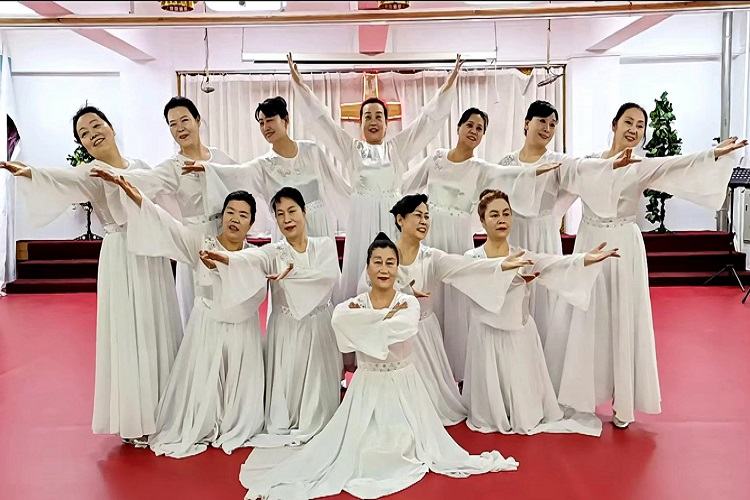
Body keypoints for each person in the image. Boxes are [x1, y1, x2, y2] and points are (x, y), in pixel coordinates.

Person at [238, 232, 519, 500]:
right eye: (378, 262)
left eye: (390, 263)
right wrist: (381, 320)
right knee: (361, 449)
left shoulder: (408, 303)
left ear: (397, 268)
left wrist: (368, 323)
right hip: (366, 388)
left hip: (404, 390)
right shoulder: (352, 305)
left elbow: (402, 328)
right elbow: (341, 325)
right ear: (368, 267)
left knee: (399, 447)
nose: (384, 269)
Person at [544, 102, 747, 428]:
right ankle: (580, 395)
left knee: (623, 318)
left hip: (623, 246)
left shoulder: (642, 165)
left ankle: (623, 401)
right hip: (589, 243)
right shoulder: (588, 163)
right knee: (585, 315)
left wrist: (713, 155)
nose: (633, 130)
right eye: (628, 122)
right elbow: (555, 170)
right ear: (614, 124)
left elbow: (677, 164)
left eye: (640, 125)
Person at [0, 105, 182, 445]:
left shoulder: (140, 168)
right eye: (84, 133)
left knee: (158, 324)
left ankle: (167, 409)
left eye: (96, 125)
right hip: (122, 256)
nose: (93, 133)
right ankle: (137, 416)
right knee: (131, 331)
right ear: (82, 144)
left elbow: (167, 198)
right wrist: (26, 171)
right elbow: (58, 178)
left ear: (111, 127)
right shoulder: (90, 173)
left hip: (152, 254)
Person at [98, 172, 266, 458]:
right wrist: (137, 198)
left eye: (243, 214)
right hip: (208, 328)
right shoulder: (201, 243)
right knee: (202, 391)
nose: (235, 219)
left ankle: (234, 419)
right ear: (221, 216)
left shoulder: (257, 255)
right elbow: (167, 225)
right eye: (230, 212)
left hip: (242, 331)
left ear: (251, 223)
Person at [287, 52, 462, 303]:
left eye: (378, 116)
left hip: (391, 219)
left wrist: (447, 87)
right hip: (361, 218)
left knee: (391, 269)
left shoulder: (398, 148)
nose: (373, 120)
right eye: (367, 116)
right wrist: (301, 86)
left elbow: (426, 123)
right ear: (360, 123)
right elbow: (322, 122)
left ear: (387, 123)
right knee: (361, 267)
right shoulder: (351, 149)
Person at [402, 106, 560, 378]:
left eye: (480, 129)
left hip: (458, 237)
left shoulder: (481, 168)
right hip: (432, 234)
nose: (474, 131)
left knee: (457, 302)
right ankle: (428, 368)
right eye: (470, 125)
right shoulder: (436, 158)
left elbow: (510, 176)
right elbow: (406, 184)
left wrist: (534, 173)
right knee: (431, 297)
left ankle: (458, 369)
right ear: (458, 128)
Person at [357, 194, 528, 426]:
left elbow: (464, 267)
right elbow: (364, 288)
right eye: (417, 215)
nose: (424, 221)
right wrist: (402, 295)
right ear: (400, 220)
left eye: (427, 216)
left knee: (432, 407)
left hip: (424, 334)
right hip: (392, 336)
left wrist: (498, 265)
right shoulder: (384, 254)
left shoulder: (432, 257)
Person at [463, 189, 618, 436]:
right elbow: (475, 289)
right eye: (494, 215)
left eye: (506, 213)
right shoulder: (471, 257)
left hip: (519, 333)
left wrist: (586, 259)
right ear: (482, 221)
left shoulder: (523, 255)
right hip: (487, 335)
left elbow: (554, 263)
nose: (502, 219)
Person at [200, 186, 343, 448]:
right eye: (280, 214)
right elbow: (249, 259)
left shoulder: (324, 245)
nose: (287, 219)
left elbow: (327, 277)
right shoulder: (273, 251)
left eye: (292, 212)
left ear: (304, 212)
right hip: (285, 329)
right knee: (285, 396)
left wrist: (292, 277)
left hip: (319, 326)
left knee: (319, 397)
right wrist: (224, 259)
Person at [496, 100, 641, 345]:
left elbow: (584, 171)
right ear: (526, 123)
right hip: (513, 234)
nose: (547, 128)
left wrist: (610, 165)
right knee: (513, 293)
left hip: (544, 235)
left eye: (553, 124)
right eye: (542, 121)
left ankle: (545, 358)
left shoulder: (559, 161)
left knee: (545, 294)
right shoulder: (505, 163)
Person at [106, 96, 238, 328]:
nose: (180, 128)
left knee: (231, 307)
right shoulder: (172, 167)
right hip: (195, 243)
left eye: (184, 120)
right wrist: (114, 176)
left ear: (198, 120)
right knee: (199, 312)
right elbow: (145, 180)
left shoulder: (221, 158)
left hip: (228, 238)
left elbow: (243, 185)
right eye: (172, 124)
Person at [185, 96, 351, 242]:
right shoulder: (262, 165)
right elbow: (237, 174)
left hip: (318, 226)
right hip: (286, 231)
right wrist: (207, 169)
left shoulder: (311, 150)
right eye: (261, 123)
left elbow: (336, 183)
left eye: (270, 120)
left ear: (286, 119)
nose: (265, 127)